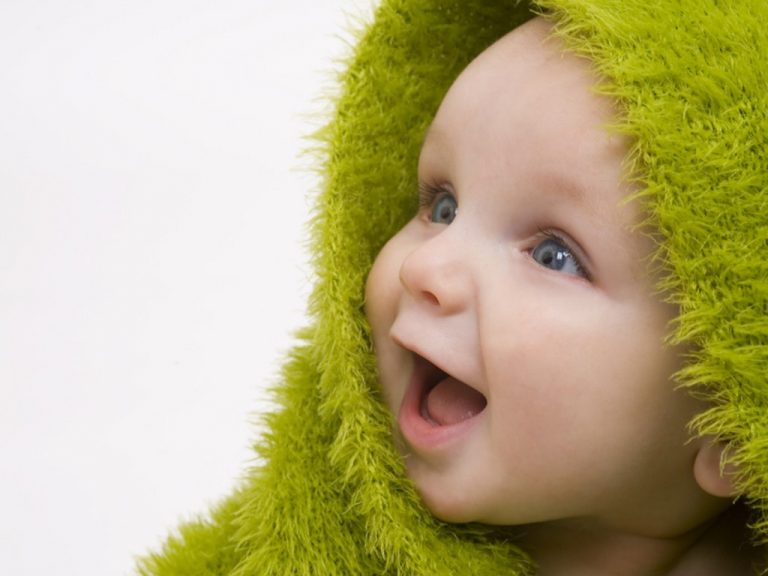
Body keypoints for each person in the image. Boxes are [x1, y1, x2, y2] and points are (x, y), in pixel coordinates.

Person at [138, 1, 768, 575]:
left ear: (734, 421)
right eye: (442, 207)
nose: (426, 267)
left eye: (553, 255)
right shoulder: (281, 542)